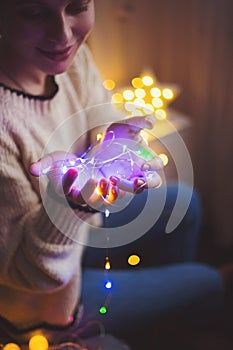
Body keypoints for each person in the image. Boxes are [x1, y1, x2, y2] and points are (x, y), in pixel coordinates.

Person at [0, 0, 226, 349]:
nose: (62, 34)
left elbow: (97, 121)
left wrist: (114, 139)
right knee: (210, 281)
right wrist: (69, 204)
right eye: (33, 12)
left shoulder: (73, 62)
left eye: (77, 6)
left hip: (85, 238)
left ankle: (162, 318)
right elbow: (37, 277)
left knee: (185, 201)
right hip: (47, 305)